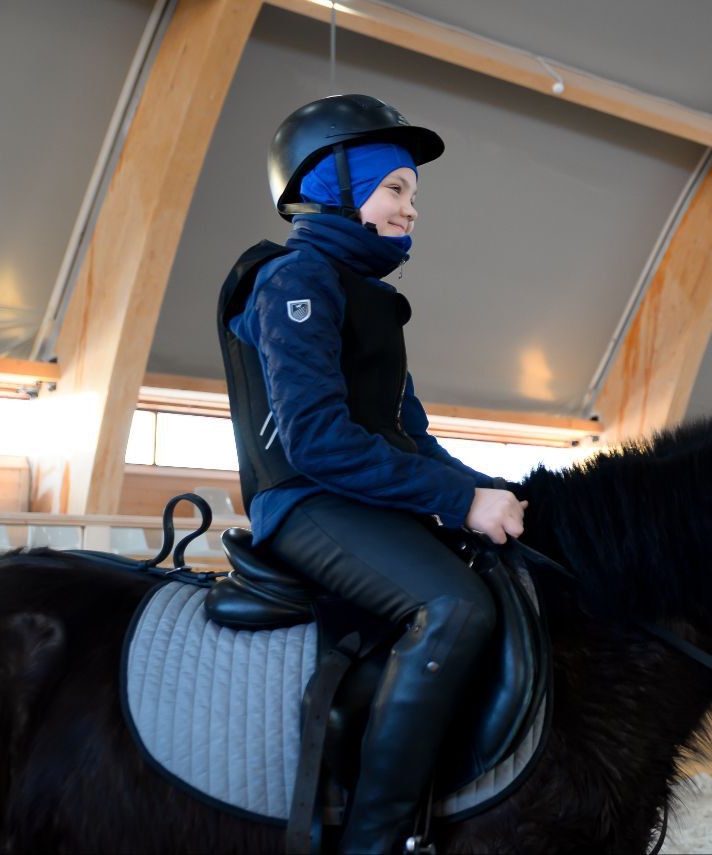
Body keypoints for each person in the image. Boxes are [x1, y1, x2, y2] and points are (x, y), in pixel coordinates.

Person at [217, 94, 527, 854]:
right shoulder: (294, 280)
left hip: (356, 497)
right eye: (396, 189)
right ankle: (373, 838)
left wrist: (504, 495)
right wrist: (461, 502)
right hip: (307, 500)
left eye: (413, 195)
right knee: (455, 607)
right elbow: (318, 440)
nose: (411, 209)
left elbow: (411, 438)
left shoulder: (371, 302)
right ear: (332, 183)